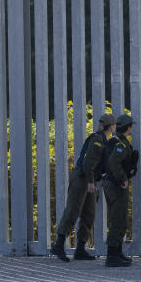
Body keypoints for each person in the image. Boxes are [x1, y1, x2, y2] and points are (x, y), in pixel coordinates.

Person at [51, 112, 116, 261]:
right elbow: (88, 163)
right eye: (114, 125)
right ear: (111, 126)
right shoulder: (98, 140)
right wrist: (91, 182)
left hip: (88, 178)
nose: (114, 127)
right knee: (73, 210)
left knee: (89, 213)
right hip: (82, 178)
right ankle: (59, 245)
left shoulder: (104, 140)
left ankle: (80, 249)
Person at [103, 113, 138, 267]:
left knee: (119, 218)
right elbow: (113, 163)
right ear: (128, 127)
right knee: (118, 219)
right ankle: (112, 256)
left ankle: (118, 252)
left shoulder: (115, 141)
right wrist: (123, 178)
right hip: (115, 185)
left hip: (110, 183)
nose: (131, 129)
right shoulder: (121, 145)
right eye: (131, 126)